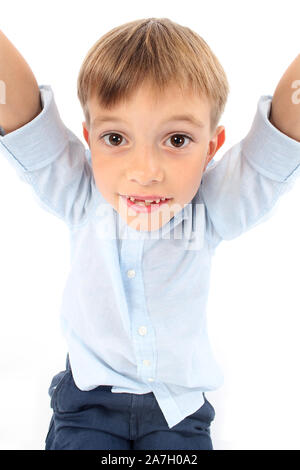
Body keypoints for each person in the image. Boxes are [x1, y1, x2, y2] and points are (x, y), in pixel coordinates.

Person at [1, 17, 300, 450]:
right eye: (116, 138)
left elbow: (280, 140)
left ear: (211, 148)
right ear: (89, 139)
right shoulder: (79, 194)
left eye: (176, 140)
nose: (144, 173)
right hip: (88, 407)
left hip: (177, 412)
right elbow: (23, 112)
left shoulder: (215, 206)